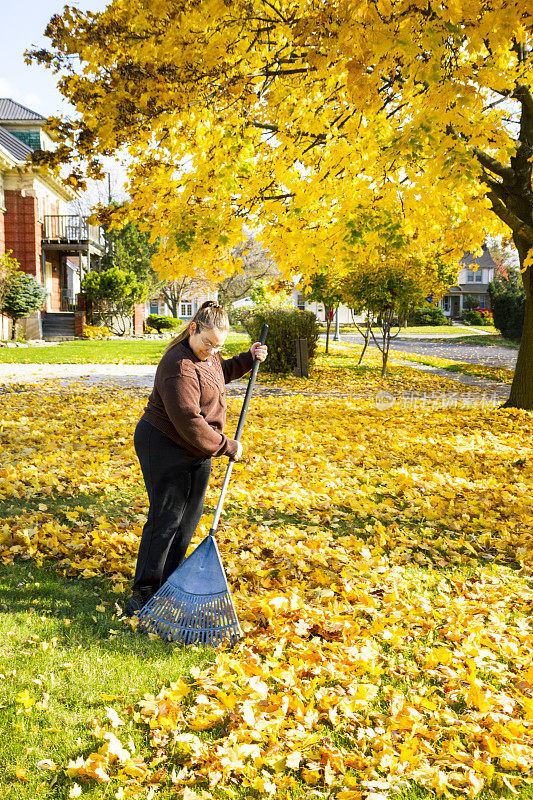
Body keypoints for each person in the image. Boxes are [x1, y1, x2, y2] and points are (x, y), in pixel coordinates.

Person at [125, 301, 267, 617]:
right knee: (166, 518)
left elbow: (220, 372)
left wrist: (248, 358)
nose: (212, 352)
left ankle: (168, 583)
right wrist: (228, 446)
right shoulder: (178, 365)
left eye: (219, 346)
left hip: (198, 448)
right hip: (163, 443)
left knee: (187, 522)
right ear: (193, 329)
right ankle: (143, 591)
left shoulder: (209, 357)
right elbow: (189, 420)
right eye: (208, 343)